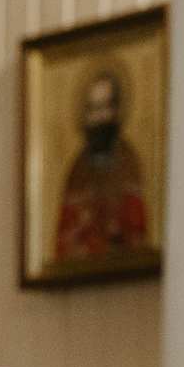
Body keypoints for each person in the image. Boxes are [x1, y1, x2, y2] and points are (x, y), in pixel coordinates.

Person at [53, 67, 149, 258]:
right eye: (94, 109)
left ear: (115, 109)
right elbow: (64, 236)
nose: (100, 118)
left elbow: (137, 230)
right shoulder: (77, 167)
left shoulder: (128, 161)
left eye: (106, 107)